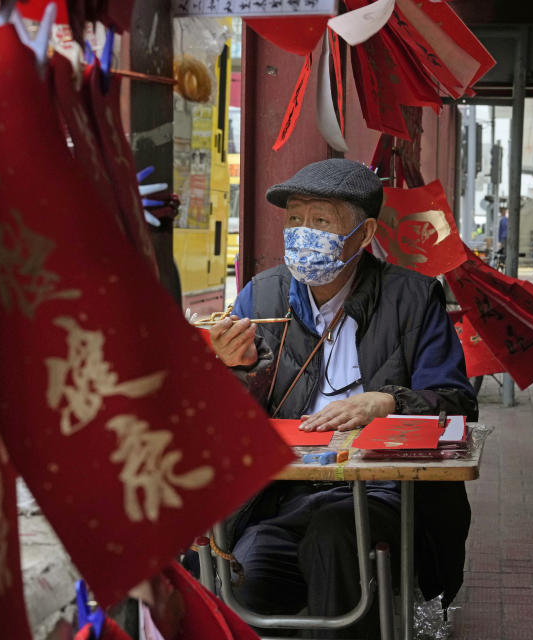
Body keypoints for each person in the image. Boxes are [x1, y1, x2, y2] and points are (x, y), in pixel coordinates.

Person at [208, 159, 478, 639]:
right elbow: (226, 420)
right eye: (294, 219)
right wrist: (230, 369)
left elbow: (456, 402)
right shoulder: (261, 297)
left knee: (334, 540)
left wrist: (387, 401)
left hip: (383, 493)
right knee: (246, 571)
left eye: (320, 220)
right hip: (281, 496)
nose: (302, 233)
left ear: (365, 231)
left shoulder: (414, 299)